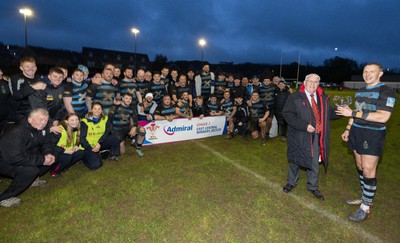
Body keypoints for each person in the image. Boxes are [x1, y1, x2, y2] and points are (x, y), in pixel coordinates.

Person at [336, 63, 398, 222]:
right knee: (360, 166)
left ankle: (365, 206)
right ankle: (365, 196)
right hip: (357, 131)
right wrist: (348, 128)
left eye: (372, 71)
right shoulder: (361, 90)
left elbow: (383, 117)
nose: (368, 74)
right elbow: (355, 113)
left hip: (373, 134)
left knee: (369, 169)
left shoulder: (386, 91)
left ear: (380, 73)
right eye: (365, 71)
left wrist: (353, 112)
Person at [282, 73, 338, 201]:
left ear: (319, 84)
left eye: (316, 82)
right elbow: (288, 114)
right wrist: (304, 125)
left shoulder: (323, 98)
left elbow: (329, 114)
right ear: (304, 82)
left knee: (314, 161)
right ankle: (291, 182)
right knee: (295, 159)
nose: (312, 84)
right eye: (310, 81)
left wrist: (341, 111)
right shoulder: (295, 97)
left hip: (317, 135)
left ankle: (313, 186)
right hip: (299, 135)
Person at [0, 108, 55, 207]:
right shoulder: (17, 132)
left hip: (24, 155)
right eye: (40, 119)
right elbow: (16, 158)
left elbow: (47, 144)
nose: (43, 123)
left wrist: (48, 154)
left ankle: (32, 180)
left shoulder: (43, 129)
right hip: (5, 160)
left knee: (52, 157)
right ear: (30, 119)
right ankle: (4, 198)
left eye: (46, 121)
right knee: (30, 171)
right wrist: (42, 160)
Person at [80, 102, 120, 170]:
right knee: (96, 165)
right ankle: (83, 158)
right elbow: (82, 139)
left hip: (99, 143)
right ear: (91, 110)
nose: (97, 111)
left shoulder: (105, 119)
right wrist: (91, 148)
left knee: (115, 138)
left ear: (102, 110)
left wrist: (99, 142)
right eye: (95, 109)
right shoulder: (84, 121)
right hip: (88, 146)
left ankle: (113, 155)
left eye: (99, 109)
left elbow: (107, 132)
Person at [50, 113, 84, 177]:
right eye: (72, 120)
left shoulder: (76, 129)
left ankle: (64, 167)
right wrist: (64, 150)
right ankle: (54, 171)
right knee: (67, 157)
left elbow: (76, 140)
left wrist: (76, 146)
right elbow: (50, 145)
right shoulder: (59, 130)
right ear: (66, 121)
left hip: (68, 149)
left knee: (81, 153)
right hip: (56, 152)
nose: (75, 122)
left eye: (77, 119)